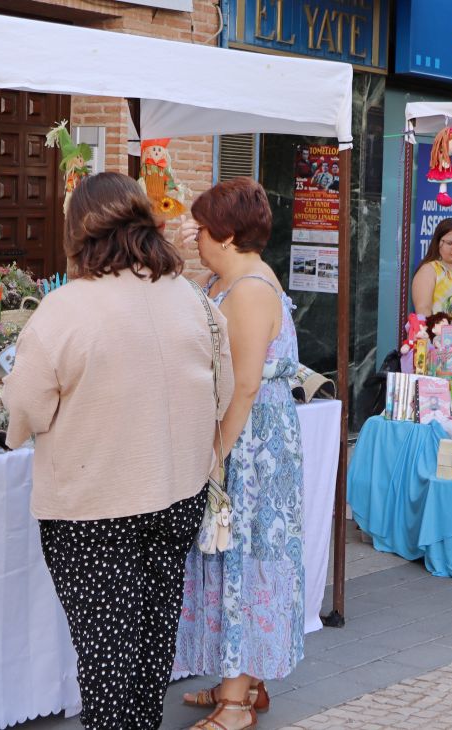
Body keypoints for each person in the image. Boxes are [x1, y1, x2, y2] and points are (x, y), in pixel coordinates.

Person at [2, 172, 234, 729]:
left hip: (95, 505)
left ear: (78, 231)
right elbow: (221, 391)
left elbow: (27, 406)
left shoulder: (65, 308)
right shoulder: (193, 300)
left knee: (107, 657)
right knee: (151, 642)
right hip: (178, 491)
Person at [173, 177, 305, 730]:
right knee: (234, 556)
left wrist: (217, 455)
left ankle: (236, 702)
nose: (194, 238)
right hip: (247, 433)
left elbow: (245, 383)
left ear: (224, 234)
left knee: (241, 558)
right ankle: (244, 678)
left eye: (200, 229)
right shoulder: (230, 277)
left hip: (251, 445)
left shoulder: (249, 289)